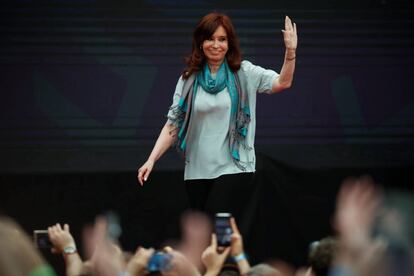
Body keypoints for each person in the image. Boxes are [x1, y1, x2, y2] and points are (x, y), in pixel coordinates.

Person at [138, 12, 297, 219]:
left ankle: (227, 250)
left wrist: (290, 52)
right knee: (202, 231)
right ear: (200, 42)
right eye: (210, 39)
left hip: (234, 166)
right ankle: (226, 251)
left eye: (222, 39)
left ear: (229, 43)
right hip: (197, 169)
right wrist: (151, 159)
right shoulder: (189, 79)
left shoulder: (244, 72)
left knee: (220, 222)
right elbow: (173, 124)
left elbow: (282, 82)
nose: (216, 45)